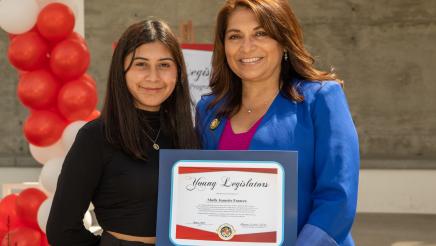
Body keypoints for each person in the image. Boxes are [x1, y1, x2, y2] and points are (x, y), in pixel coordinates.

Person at [195, 0, 360, 245]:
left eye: (260, 34)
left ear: (283, 41)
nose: (246, 47)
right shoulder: (208, 110)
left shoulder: (322, 99)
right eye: (234, 36)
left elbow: (338, 197)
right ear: (224, 45)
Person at [47, 18, 199, 246]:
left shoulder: (187, 134)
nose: (154, 77)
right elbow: (62, 230)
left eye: (164, 65)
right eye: (141, 64)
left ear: (178, 72)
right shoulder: (96, 136)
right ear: (122, 71)